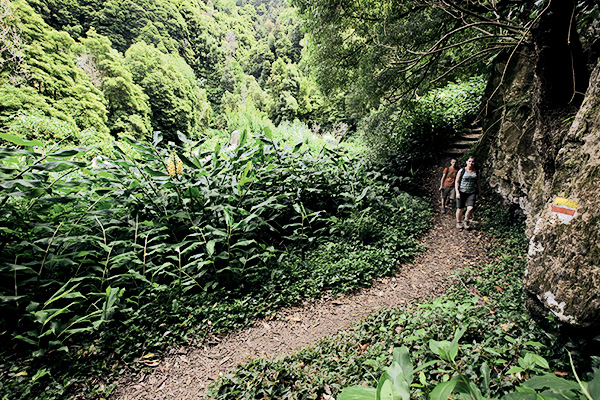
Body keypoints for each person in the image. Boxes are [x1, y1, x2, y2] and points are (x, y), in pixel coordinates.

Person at [455, 155, 481, 229]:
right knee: (460, 208)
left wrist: (479, 191)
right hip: (462, 191)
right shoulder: (462, 171)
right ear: (466, 162)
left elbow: (478, 182)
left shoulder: (477, 172)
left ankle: (466, 221)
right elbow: (457, 181)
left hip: (471, 192)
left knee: (470, 208)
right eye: (469, 161)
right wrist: (457, 192)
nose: (471, 163)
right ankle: (458, 222)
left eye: (472, 161)